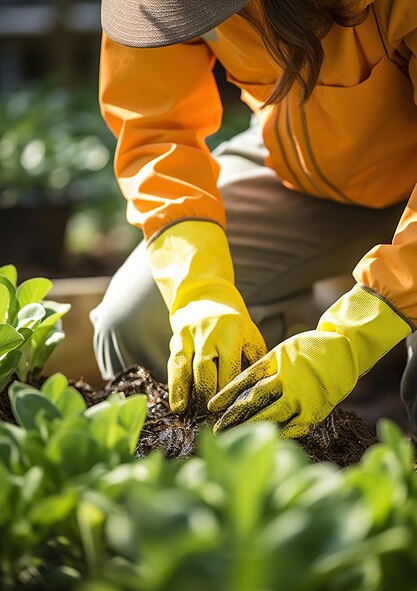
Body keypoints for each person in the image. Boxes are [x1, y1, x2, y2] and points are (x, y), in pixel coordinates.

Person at [92, 0, 417, 437]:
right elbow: (156, 132)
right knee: (136, 321)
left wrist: (351, 338)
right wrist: (200, 292)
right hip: (301, 174)